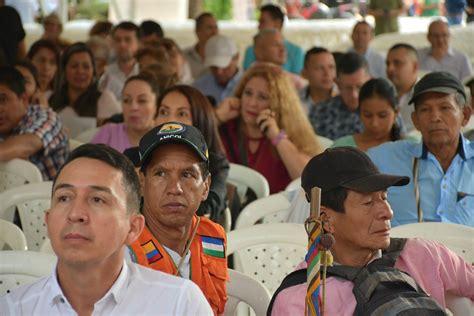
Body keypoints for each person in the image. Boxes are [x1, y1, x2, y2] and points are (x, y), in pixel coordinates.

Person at [0, 144, 213, 315]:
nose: (76, 214)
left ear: (133, 228)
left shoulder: (178, 304)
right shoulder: (14, 308)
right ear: (48, 220)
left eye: (97, 199)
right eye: (64, 198)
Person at [268, 146, 473, 315]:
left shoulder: (422, 254)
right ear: (325, 219)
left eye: (384, 198)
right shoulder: (300, 299)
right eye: (367, 203)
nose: (388, 212)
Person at [128, 122, 228, 315]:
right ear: (141, 182)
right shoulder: (122, 247)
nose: (175, 188)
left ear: (206, 186)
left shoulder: (212, 237)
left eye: (187, 174)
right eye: (161, 173)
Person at [368, 71, 473, 227]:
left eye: (445, 107)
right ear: (415, 120)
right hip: (405, 250)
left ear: (465, 115)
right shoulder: (387, 158)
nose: (435, 117)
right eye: (425, 110)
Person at [217, 65, 321, 193]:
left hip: (275, 211)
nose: (252, 103)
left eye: (263, 97)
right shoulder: (226, 127)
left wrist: (276, 136)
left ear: (278, 104)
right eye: (248, 93)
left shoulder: (289, 133)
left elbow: (309, 180)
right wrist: (217, 117)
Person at [155, 85, 229, 221]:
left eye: (182, 114)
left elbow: (207, 209)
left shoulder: (215, 164)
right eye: (164, 112)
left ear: (200, 121)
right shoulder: (136, 157)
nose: (170, 121)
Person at [0, 66, 68, 180]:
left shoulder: (45, 117)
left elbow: (26, 145)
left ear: (24, 99)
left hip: (50, 195)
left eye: (2, 100)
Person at [49, 42, 120, 137]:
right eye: (74, 66)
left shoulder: (104, 99)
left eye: (86, 66)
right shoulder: (50, 98)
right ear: (64, 70)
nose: (80, 71)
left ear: (93, 71)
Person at [309, 52, 371, 140]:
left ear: (369, 81)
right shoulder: (320, 113)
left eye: (359, 87)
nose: (354, 95)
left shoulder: (382, 113)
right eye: (348, 88)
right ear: (337, 84)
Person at [91, 73, 158, 153]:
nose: (133, 107)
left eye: (142, 101)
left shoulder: (166, 137)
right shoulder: (108, 134)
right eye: (126, 100)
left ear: (156, 106)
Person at [332, 78, 402, 151]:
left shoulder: (409, 147)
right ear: (359, 112)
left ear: (396, 113)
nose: (374, 123)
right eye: (368, 115)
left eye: (382, 115)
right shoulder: (341, 148)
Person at [243, 4, 304, 75]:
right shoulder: (251, 50)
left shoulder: (296, 52)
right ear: (258, 53)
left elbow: (298, 82)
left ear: (277, 23)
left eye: (262, 21)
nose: (259, 26)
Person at [193, 34, 241, 105]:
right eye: (214, 67)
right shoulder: (198, 87)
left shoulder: (251, 86)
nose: (219, 72)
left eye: (225, 66)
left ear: (236, 57)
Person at [101, 22, 140, 100]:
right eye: (118, 40)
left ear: (138, 43)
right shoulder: (105, 73)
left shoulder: (145, 72)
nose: (122, 44)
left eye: (128, 40)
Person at [386, 43, 419, 132]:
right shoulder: (382, 95)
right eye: (388, 64)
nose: (390, 68)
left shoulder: (427, 95)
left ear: (415, 67)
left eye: (397, 63)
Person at [300, 47, 337, 114]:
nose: (327, 73)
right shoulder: (295, 100)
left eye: (331, 67)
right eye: (319, 68)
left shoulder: (345, 97)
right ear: (304, 73)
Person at [183, 12, 218, 80]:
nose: (214, 32)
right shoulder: (184, 56)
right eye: (209, 28)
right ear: (197, 31)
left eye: (216, 27)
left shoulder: (226, 57)